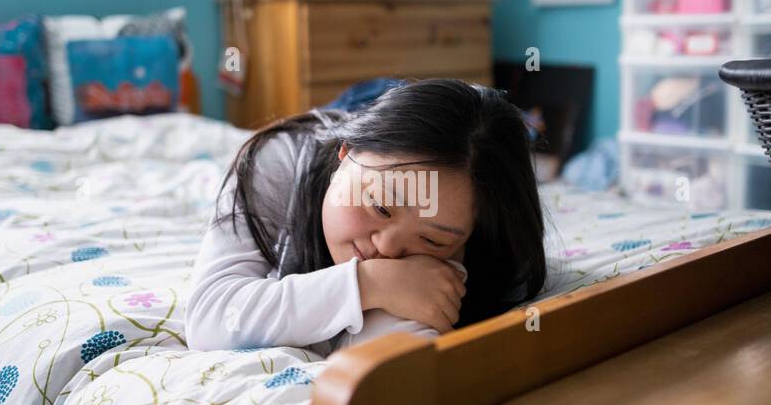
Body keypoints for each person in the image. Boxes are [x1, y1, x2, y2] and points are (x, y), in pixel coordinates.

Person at [185, 78, 547, 356]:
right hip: (350, 113)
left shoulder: (481, 243)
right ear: (347, 151)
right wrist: (370, 285)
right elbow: (210, 317)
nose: (387, 249)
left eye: (433, 240)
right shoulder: (276, 162)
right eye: (381, 206)